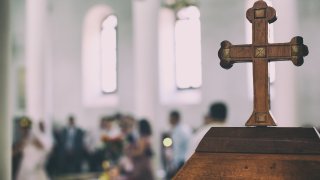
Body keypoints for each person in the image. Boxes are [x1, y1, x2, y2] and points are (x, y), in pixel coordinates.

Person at [168, 110, 192, 176]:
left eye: (170, 118)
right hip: (183, 160)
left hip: (181, 162)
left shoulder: (179, 131)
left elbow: (177, 149)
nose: (169, 120)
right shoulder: (182, 129)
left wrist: (174, 165)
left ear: (174, 118)